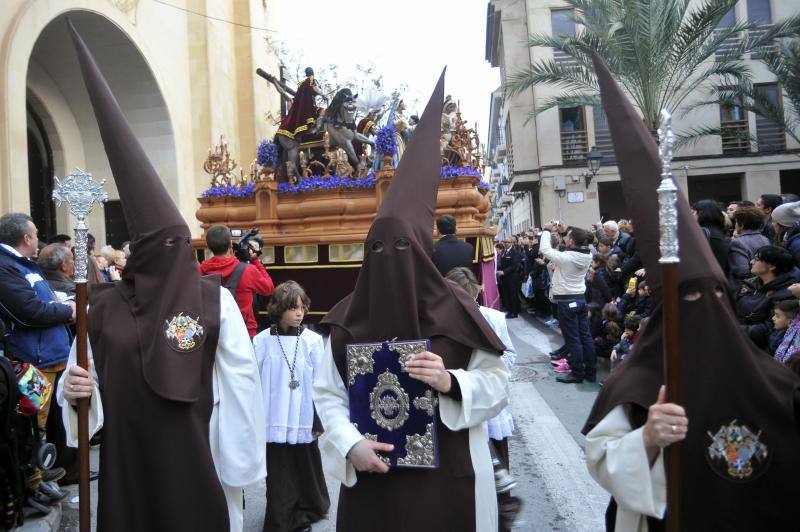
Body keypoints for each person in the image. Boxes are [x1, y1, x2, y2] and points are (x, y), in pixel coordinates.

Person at [58, 25, 266, 532]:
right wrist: (74, 388)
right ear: (140, 255)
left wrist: (238, 473)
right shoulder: (102, 306)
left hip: (199, 464)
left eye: (180, 243)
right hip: (129, 468)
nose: (172, 255)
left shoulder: (212, 305)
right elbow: (84, 383)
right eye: (161, 246)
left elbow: (239, 390)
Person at [585, 52, 800, 531]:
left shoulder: (774, 381)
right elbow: (601, 459)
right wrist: (648, 440)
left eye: (714, 296)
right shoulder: (637, 380)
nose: (705, 309)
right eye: (689, 299)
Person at [314, 71, 509, 532]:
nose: (390, 260)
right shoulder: (346, 319)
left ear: (421, 253)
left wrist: (451, 382)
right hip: (372, 481)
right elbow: (328, 395)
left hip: (448, 482)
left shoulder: (458, 311)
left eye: (403, 248)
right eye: (378, 249)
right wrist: (348, 444)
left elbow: (497, 385)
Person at [0, 213, 74, 503]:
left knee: (43, 427)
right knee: (33, 427)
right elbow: (30, 311)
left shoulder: (22, 264)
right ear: (26, 238)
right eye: (35, 233)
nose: (38, 238)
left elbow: (45, 301)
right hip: (34, 361)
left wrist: (60, 304)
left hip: (50, 357)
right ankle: (32, 483)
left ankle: (40, 475)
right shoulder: (6, 267)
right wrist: (68, 310)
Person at [444, 266, 520, 531]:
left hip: (488, 400)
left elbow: (510, 354)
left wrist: (488, 369)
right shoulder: (442, 321)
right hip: (457, 400)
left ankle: (501, 514)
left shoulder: (493, 318)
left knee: (495, 462)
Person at [253, 281, 329, 532]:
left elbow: (321, 382)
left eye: (302, 308)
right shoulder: (262, 341)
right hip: (272, 414)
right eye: (293, 308)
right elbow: (253, 381)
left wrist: (318, 418)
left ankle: (308, 506)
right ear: (279, 309)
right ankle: (282, 516)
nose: (299, 313)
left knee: (304, 463)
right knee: (279, 468)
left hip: (303, 413)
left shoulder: (312, 341)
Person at [539, 223, 596, 383]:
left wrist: (546, 231)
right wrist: (563, 230)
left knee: (573, 339)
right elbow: (574, 242)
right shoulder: (588, 254)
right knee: (585, 336)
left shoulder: (567, 258)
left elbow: (545, 250)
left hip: (566, 301)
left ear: (571, 241)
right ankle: (591, 372)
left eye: (568, 237)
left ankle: (577, 373)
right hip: (580, 299)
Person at [199, 225, 275, 337]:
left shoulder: (200, 271)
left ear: (208, 246)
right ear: (230, 244)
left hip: (214, 335)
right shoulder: (248, 270)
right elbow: (268, 289)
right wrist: (255, 260)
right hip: (244, 333)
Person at [735, 245, 800, 350]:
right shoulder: (752, 282)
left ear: (771, 266)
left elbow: (770, 328)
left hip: (753, 348)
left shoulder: (786, 294)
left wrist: (733, 329)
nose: (751, 262)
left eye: (756, 259)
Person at [276, 67, 326, 143]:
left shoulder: (301, 84)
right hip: (309, 106)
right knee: (323, 110)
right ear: (312, 72)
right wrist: (323, 94)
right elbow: (316, 88)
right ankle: (316, 128)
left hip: (300, 108)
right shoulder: (311, 79)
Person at [728, 207, 770, 289]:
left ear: (741, 225)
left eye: (736, 222)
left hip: (745, 289)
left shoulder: (737, 243)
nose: (735, 225)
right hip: (764, 283)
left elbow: (741, 271)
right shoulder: (765, 239)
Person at [497, 237, 521, 318]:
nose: (506, 243)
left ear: (511, 243)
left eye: (508, 242)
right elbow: (502, 263)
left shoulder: (514, 252)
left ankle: (514, 312)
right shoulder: (504, 251)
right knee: (506, 294)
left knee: (512, 295)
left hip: (512, 277)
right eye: (505, 242)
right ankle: (509, 310)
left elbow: (514, 265)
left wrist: (504, 272)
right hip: (504, 278)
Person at [770, 200, 800, 265]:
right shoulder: (788, 238)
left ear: (783, 224)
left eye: (774, 221)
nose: (772, 224)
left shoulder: (797, 245)